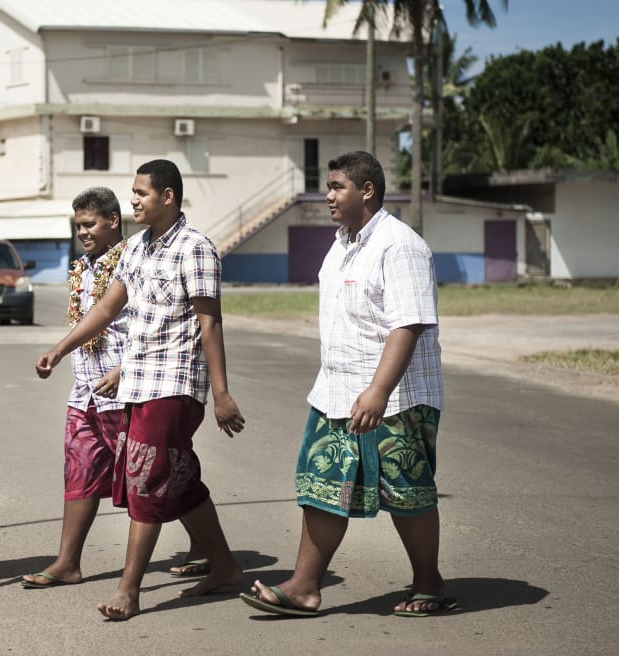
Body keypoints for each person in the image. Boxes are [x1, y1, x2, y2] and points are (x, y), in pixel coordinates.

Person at [239, 151, 450, 618]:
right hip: (335, 391)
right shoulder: (341, 245)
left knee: (406, 490)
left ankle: (429, 582)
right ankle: (304, 587)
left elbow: (408, 325)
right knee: (321, 484)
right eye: (329, 186)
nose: (327, 195)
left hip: (396, 397)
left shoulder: (400, 245)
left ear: (367, 191)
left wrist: (378, 391)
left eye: (337, 187)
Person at [35, 160, 246, 620]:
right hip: (138, 383)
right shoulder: (135, 250)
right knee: (179, 476)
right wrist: (60, 349)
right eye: (133, 192)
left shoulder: (196, 249)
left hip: (174, 382)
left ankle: (129, 588)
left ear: (167, 197)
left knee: (145, 479)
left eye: (141, 193)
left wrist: (222, 393)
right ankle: (227, 567)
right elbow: (108, 308)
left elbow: (210, 322)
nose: (133, 200)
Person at [23, 187, 206, 590]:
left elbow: (148, 321)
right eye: (78, 227)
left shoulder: (134, 257)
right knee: (80, 470)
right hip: (85, 389)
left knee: (156, 473)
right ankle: (68, 562)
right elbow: (93, 319)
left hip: (126, 389)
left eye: (89, 224)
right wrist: (58, 352)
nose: (83, 233)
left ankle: (206, 545)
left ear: (112, 221)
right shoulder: (83, 267)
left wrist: (125, 370)